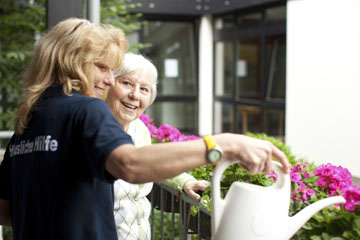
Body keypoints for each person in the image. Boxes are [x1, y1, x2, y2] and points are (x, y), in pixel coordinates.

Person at [0, 17, 289, 240]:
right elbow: (130, 164)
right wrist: (223, 145)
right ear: (73, 62)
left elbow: (6, 211)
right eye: (102, 67)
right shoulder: (86, 109)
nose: (110, 80)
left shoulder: (27, 123)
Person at [105, 53, 209, 239]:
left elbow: (150, 162)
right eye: (127, 83)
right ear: (109, 83)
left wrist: (184, 182)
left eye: (144, 89)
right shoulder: (94, 129)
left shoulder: (140, 130)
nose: (135, 95)